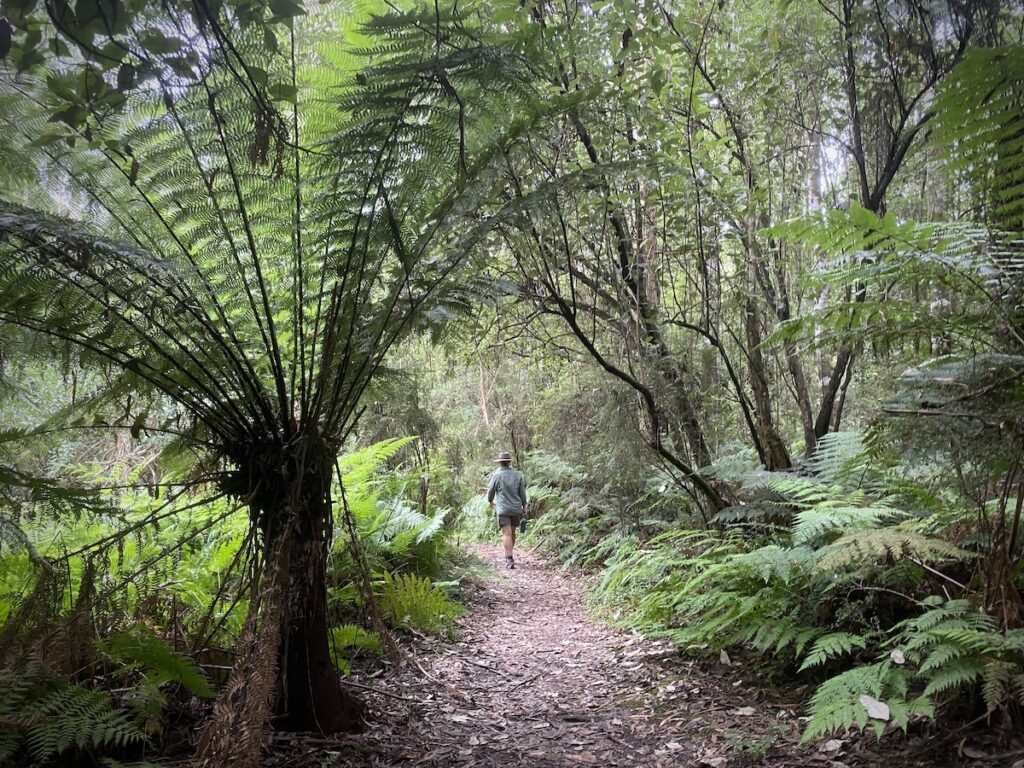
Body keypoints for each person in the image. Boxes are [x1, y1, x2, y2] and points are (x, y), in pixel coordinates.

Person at [486, 451, 528, 569]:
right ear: (509, 462)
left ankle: (509, 559)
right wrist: (524, 505)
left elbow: (491, 491)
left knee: (506, 533)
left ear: (500, 463)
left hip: (503, 509)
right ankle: (509, 555)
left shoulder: (496, 475)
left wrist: (490, 501)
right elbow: (522, 493)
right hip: (516, 509)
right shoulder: (517, 475)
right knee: (512, 533)